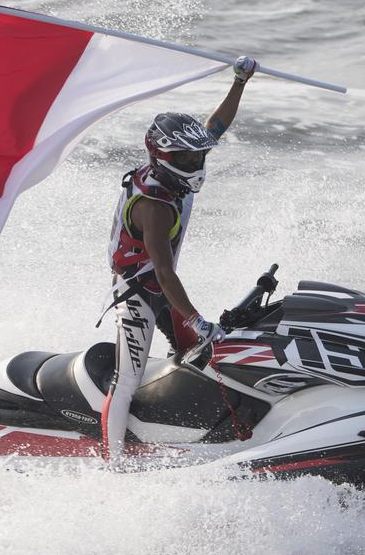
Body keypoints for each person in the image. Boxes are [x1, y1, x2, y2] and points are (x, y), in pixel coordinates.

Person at [99, 55, 258, 464]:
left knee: (200, 355)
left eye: (198, 157)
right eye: (186, 160)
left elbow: (216, 127)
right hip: (138, 293)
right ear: (163, 157)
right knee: (127, 379)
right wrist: (195, 319)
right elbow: (165, 274)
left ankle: (191, 431)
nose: (196, 163)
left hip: (163, 287)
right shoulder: (153, 204)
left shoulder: (174, 170)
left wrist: (239, 81)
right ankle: (113, 465)